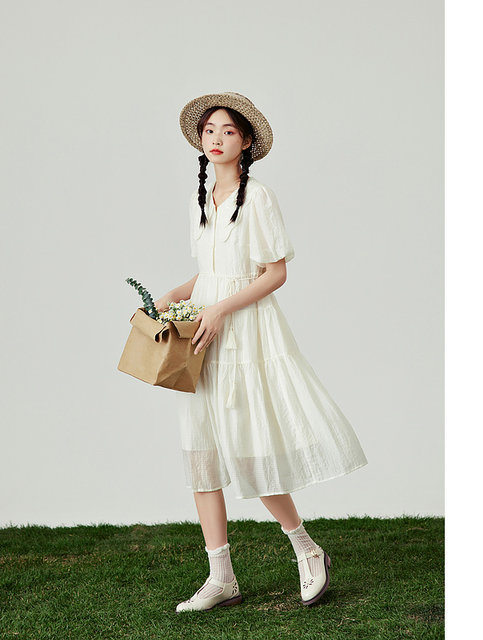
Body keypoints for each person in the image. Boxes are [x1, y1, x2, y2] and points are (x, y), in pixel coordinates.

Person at [154, 92, 368, 613]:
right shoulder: (201, 197)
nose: (216, 138)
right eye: (209, 130)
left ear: (246, 142)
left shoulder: (259, 198)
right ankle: (220, 577)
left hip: (243, 332)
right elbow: (210, 272)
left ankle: (307, 549)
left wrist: (221, 308)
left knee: (250, 447)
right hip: (200, 334)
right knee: (202, 452)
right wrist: (176, 294)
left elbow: (275, 273)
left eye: (227, 131)